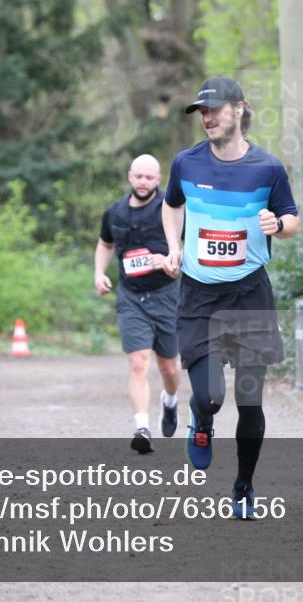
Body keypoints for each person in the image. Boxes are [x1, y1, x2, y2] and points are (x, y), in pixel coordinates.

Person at [162, 76, 300, 519]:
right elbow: (172, 204)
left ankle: (243, 488)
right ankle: (201, 420)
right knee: (210, 397)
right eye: (202, 112)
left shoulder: (268, 168)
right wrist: (174, 246)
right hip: (199, 296)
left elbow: (292, 218)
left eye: (215, 110)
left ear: (239, 109)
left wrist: (278, 226)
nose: (207, 118)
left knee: (250, 399)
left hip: (249, 294)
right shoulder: (186, 164)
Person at [95, 154, 182, 454]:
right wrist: (99, 273)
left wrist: (171, 260)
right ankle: (142, 428)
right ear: (130, 177)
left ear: (158, 180)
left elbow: (190, 246)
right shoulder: (114, 212)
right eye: (139, 176)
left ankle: (170, 401)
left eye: (149, 177)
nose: (143, 182)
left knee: (168, 367)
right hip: (131, 297)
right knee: (138, 362)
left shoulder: (170, 210)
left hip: (167, 295)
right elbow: (105, 244)